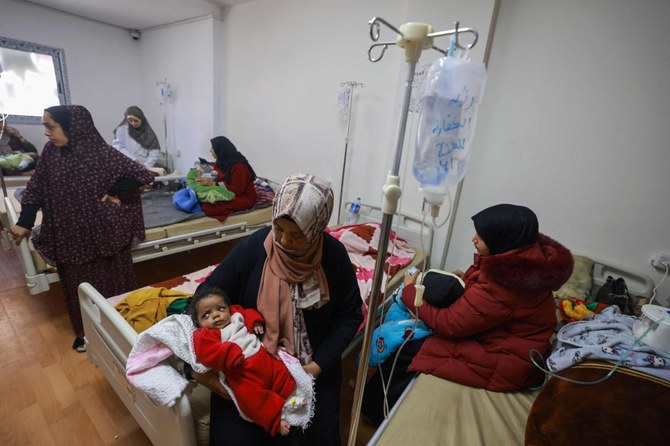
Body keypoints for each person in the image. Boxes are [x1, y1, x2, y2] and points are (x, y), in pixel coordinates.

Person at [361, 203, 574, 426]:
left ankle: (375, 411)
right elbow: (489, 302)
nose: (473, 239)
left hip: (508, 357)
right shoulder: (526, 258)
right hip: (513, 338)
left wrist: (409, 291)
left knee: (409, 347)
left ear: (502, 239)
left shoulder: (506, 283)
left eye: (481, 237)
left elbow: (449, 324)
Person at [191, 173, 363, 445]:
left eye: (297, 235)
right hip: (250, 362)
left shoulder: (333, 256)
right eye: (278, 228)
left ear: (316, 229)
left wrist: (315, 368)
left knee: (316, 437)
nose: (283, 240)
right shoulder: (254, 248)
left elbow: (351, 314)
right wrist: (209, 365)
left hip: (310, 364)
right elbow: (206, 295)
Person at [9, 105, 155, 352]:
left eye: (50, 126)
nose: (45, 132)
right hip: (70, 234)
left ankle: (123, 327)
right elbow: (35, 188)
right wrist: (24, 221)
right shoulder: (51, 153)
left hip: (106, 230)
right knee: (78, 284)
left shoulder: (102, 153)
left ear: (73, 127)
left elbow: (142, 174)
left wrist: (113, 191)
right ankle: (85, 332)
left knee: (115, 281)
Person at [189, 285, 298, 437]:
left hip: (262, 357)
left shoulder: (236, 315)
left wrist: (256, 323)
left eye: (220, 309)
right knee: (251, 399)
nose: (215, 315)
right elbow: (206, 353)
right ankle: (274, 420)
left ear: (228, 308)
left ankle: (293, 398)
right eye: (206, 315)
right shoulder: (205, 334)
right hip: (241, 372)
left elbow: (249, 313)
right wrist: (230, 354)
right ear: (198, 323)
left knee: (282, 374)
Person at [194, 136, 257, 221]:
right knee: (200, 195)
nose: (210, 151)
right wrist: (204, 174)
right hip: (227, 192)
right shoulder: (221, 161)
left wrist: (213, 184)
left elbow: (237, 190)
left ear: (221, 149)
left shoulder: (239, 166)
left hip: (243, 197)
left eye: (213, 148)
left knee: (210, 205)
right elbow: (217, 175)